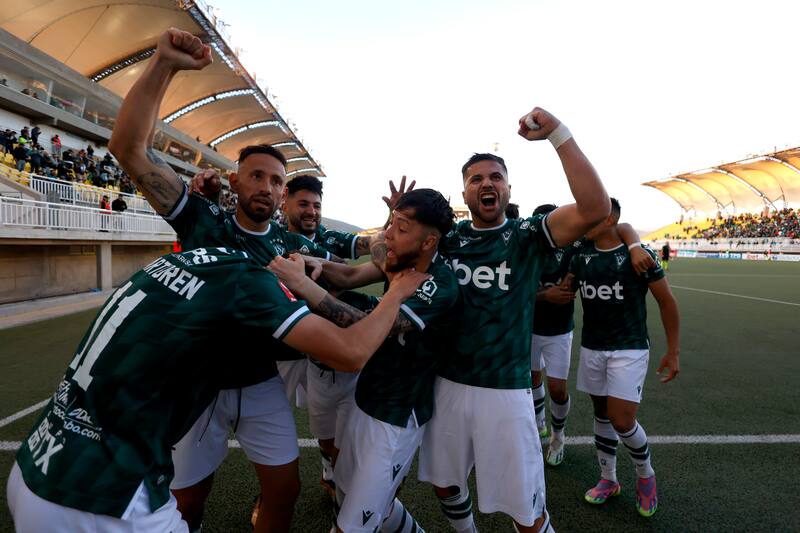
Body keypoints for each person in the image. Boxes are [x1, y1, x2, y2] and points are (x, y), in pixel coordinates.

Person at [6, 246, 428, 533]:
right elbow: (351, 352)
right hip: (107, 494)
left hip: (35, 466)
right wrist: (396, 293)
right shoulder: (246, 284)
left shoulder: (171, 266)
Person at [108, 28, 338, 532]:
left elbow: (351, 267)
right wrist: (164, 63)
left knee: (284, 490)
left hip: (260, 382)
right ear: (234, 180)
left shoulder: (287, 247)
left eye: (277, 181)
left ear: (283, 196)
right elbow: (128, 148)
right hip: (200, 383)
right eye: (256, 175)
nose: (268, 187)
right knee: (189, 498)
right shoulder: (203, 221)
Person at [408, 107, 613, 533]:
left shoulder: (526, 236)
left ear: (507, 189)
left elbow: (595, 207)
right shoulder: (447, 240)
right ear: (464, 194)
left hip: (505, 390)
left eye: (495, 177)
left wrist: (557, 134)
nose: (486, 183)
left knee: (526, 508)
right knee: (446, 484)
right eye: (476, 179)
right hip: (446, 383)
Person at [270, 188, 459, 533]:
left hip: (396, 419)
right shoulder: (402, 260)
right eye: (393, 223)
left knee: (352, 524)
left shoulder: (437, 285)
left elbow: (364, 329)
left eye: (401, 228)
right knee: (355, 500)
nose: (389, 234)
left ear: (429, 242)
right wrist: (317, 264)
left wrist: (304, 286)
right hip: (366, 400)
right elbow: (349, 276)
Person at [569, 198, 680, 518]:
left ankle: (646, 476)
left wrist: (673, 351)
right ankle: (608, 479)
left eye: (589, 215)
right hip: (592, 346)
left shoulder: (638, 257)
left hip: (629, 347)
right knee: (601, 412)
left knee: (622, 419)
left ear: (607, 221)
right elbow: (569, 286)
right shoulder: (580, 255)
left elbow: (667, 302)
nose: (582, 220)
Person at [529, 204, 652, 467]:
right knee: (531, 381)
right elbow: (512, 292)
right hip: (527, 328)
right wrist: (544, 295)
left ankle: (558, 437)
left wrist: (634, 246)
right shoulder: (527, 248)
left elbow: (618, 225)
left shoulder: (575, 247)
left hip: (560, 330)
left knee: (557, 388)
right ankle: (538, 423)